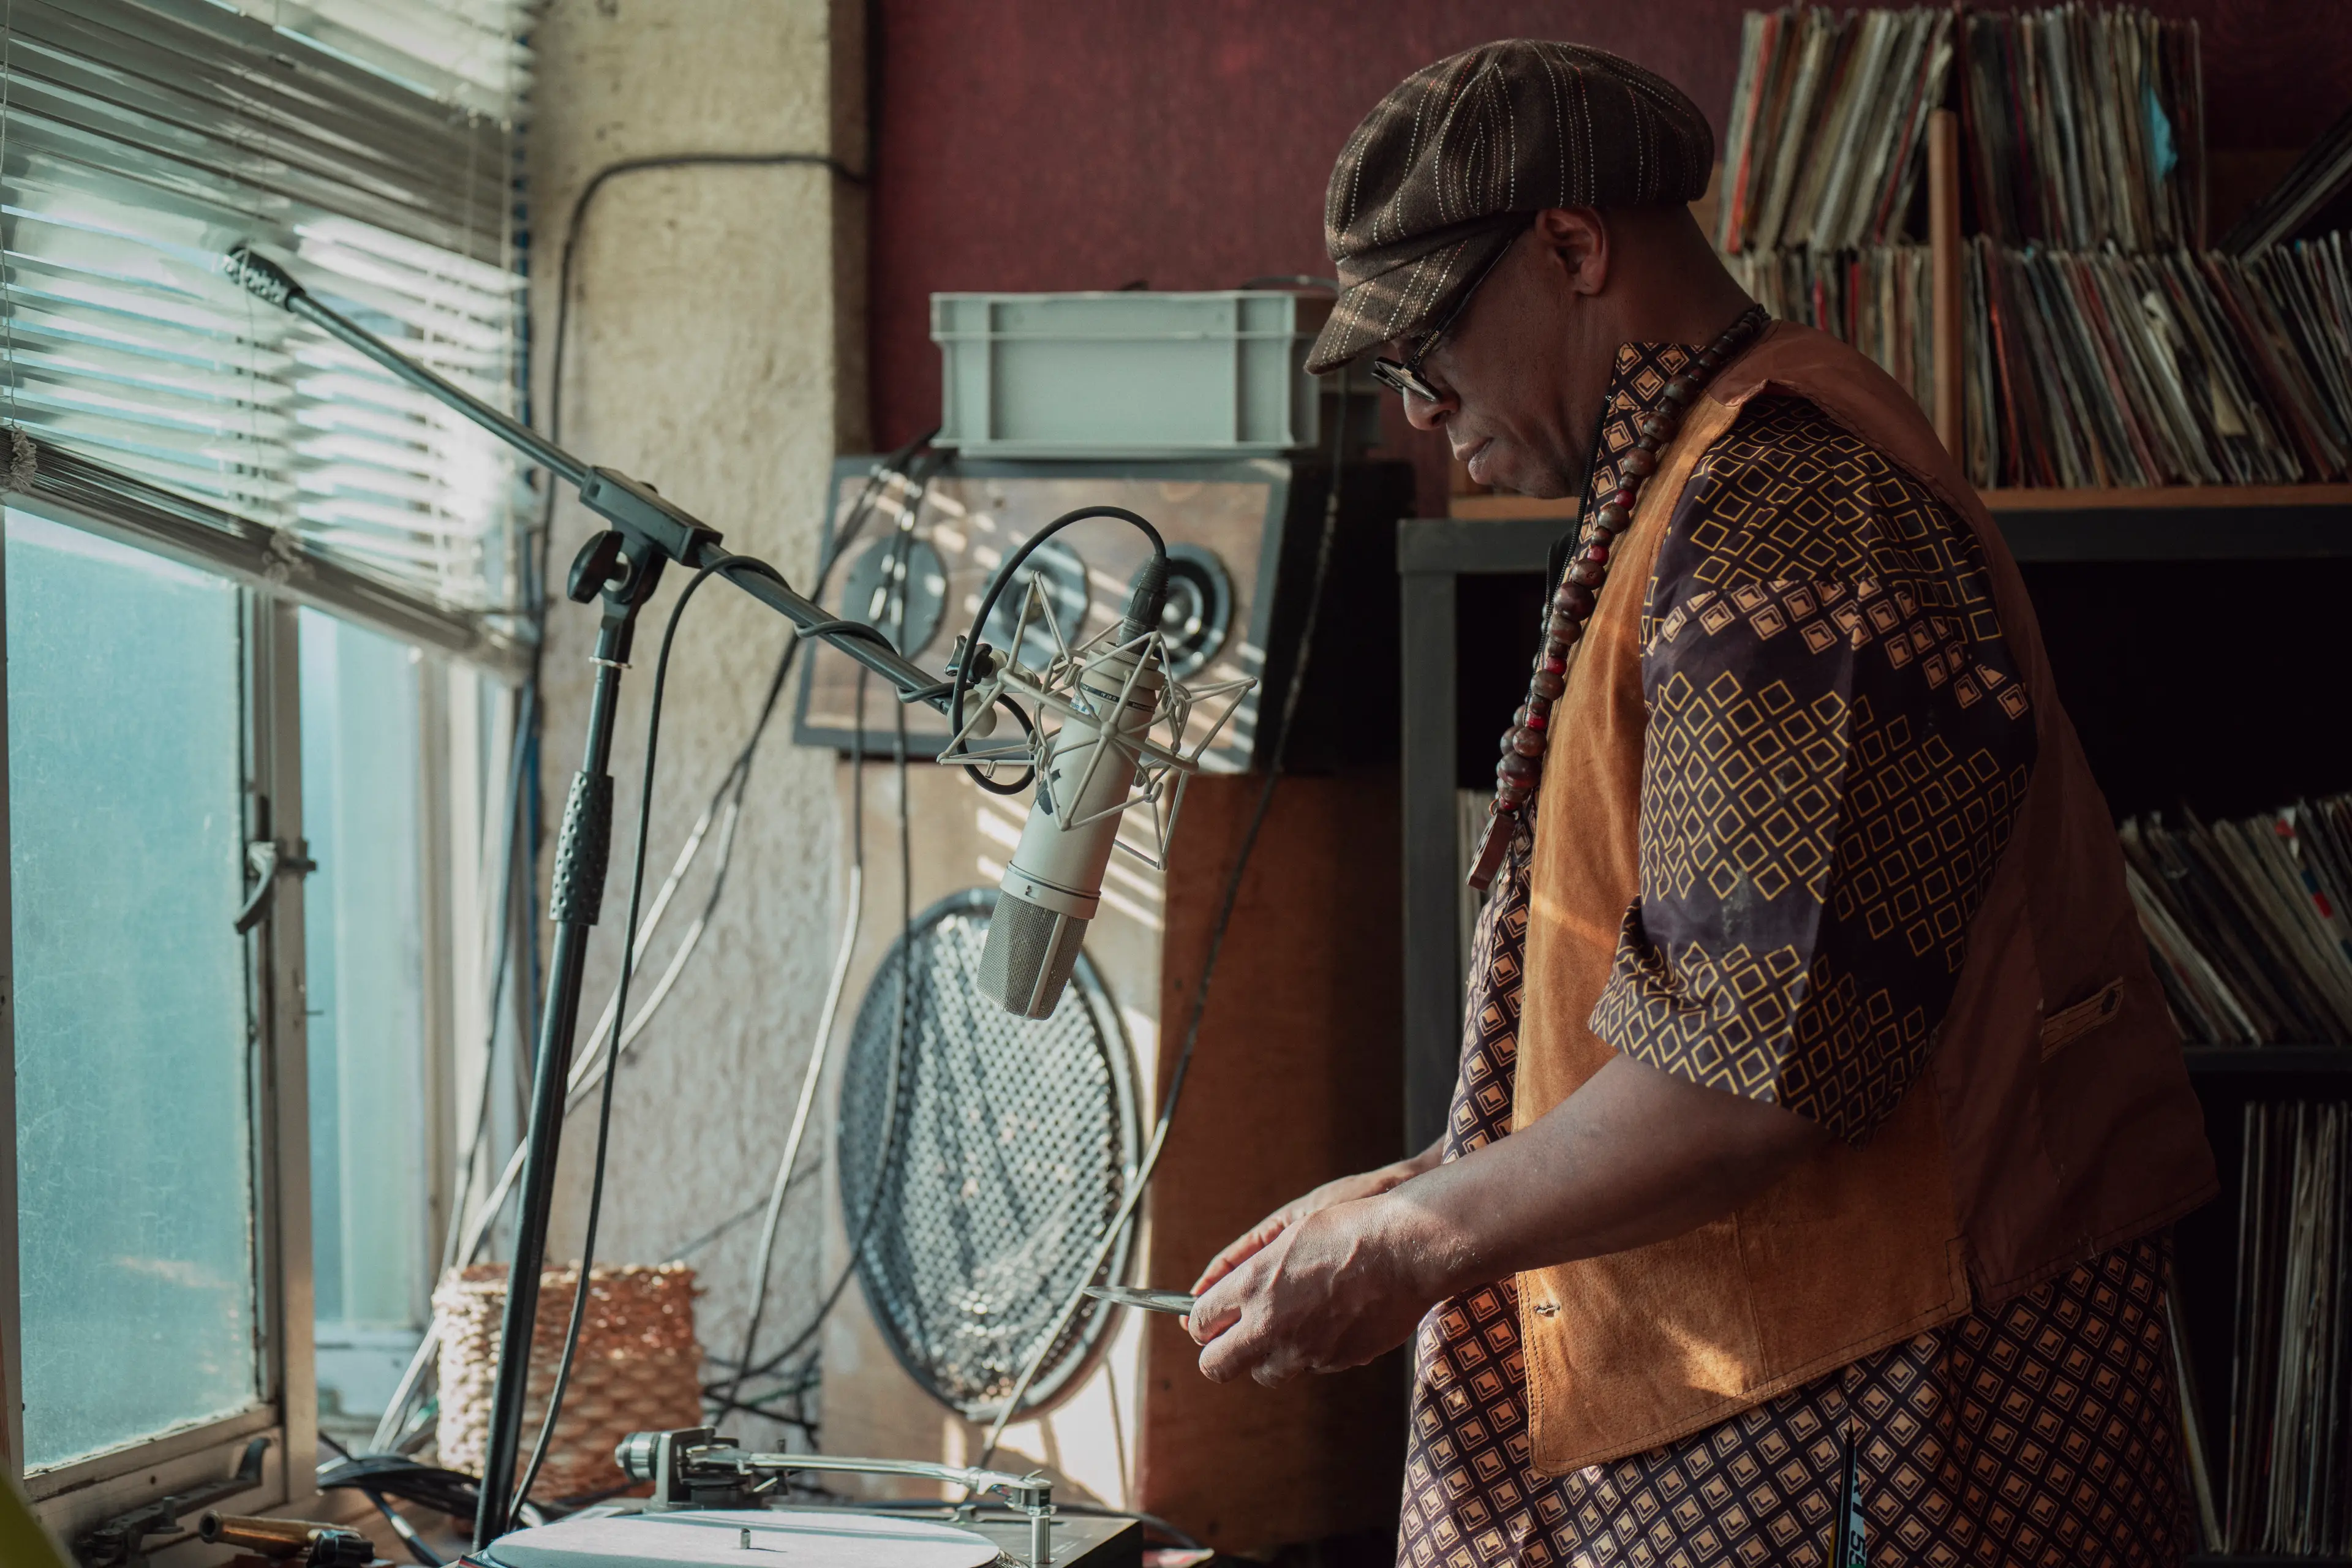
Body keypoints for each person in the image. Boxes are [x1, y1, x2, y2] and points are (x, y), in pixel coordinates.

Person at [1186, 40, 2216, 1568]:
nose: (1420, 409)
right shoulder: (1699, 475)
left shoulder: (1790, 505)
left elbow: (1753, 1069)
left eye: (1430, 351)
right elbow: (1692, 995)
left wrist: (1414, 1238)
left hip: (1890, 1405)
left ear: (1574, 246)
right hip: (1821, 1374)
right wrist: (1414, 1182)